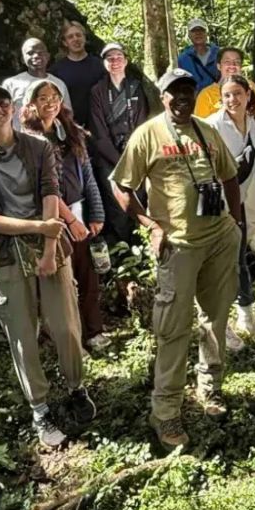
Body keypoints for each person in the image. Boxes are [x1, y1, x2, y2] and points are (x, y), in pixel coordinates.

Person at [110, 67, 244, 448]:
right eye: (174, 92)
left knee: (215, 318)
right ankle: (165, 411)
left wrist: (234, 223)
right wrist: (151, 226)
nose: (182, 98)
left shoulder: (208, 130)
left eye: (188, 91)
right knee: (173, 327)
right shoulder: (148, 134)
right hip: (179, 246)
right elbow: (122, 186)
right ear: (163, 96)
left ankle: (209, 387)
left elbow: (230, 176)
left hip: (219, 239)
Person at [0, 83, 94, 447]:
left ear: (14, 108)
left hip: (50, 247)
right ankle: (40, 407)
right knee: (22, 335)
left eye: (2, 103)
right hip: (4, 254)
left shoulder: (39, 147)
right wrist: (39, 226)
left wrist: (50, 248)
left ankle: (76, 387)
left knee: (66, 325)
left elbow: (51, 192)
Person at [23, 78, 108, 349]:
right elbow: (43, 188)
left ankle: (93, 331)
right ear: (32, 104)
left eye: (54, 97)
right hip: (48, 218)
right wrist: (67, 221)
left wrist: (95, 212)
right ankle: (60, 337)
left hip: (78, 211)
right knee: (59, 281)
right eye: (43, 98)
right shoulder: (28, 141)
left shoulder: (71, 132)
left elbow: (89, 176)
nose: (50, 103)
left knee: (88, 274)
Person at [207, 74, 255, 350]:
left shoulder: (252, 124)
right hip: (216, 207)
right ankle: (220, 325)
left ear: (248, 95)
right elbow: (206, 169)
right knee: (219, 265)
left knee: (241, 259)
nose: (233, 100)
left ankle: (246, 315)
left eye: (238, 94)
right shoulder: (212, 126)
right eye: (228, 95)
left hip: (240, 203)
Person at [90, 42, 155, 242]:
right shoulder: (98, 91)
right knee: (116, 204)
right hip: (110, 156)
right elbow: (99, 131)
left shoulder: (136, 87)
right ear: (104, 64)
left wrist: (132, 155)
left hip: (134, 153)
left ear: (126, 61)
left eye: (119, 57)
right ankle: (123, 248)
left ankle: (143, 244)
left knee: (140, 197)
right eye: (110, 59)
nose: (115, 62)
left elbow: (142, 123)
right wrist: (118, 160)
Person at [51, 20, 107, 130]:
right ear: (65, 42)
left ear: (84, 38)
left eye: (78, 35)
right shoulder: (56, 70)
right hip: (70, 127)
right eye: (70, 37)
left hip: (99, 126)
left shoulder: (100, 65)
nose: (75, 39)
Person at [3, 37, 72, 117]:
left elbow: (68, 115)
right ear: (22, 59)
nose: (36, 56)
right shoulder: (11, 84)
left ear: (48, 56)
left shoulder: (59, 84)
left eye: (41, 53)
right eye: (30, 53)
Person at [194, 47, 255, 118]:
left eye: (237, 62)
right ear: (219, 66)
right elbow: (199, 125)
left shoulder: (250, 86)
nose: (232, 65)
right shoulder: (206, 94)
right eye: (227, 62)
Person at [176, 18, 221, 91]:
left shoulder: (219, 54)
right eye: (194, 31)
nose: (198, 33)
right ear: (189, 35)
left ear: (207, 34)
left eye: (201, 30)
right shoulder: (183, 59)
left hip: (216, 98)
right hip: (195, 99)